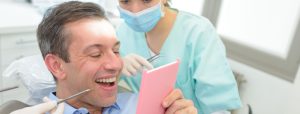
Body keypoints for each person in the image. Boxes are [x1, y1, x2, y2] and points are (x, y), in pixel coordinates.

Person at [12, 1, 197, 114]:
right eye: (96, 54)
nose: (116, 64)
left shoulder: (146, 106)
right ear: (57, 66)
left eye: (116, 51)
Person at [116, 0, 241, 114]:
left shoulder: (198, 33)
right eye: (125, 1)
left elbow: (219, 108)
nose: (136, 11)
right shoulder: (122, 34)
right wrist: (117, 68)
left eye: (147, 0)